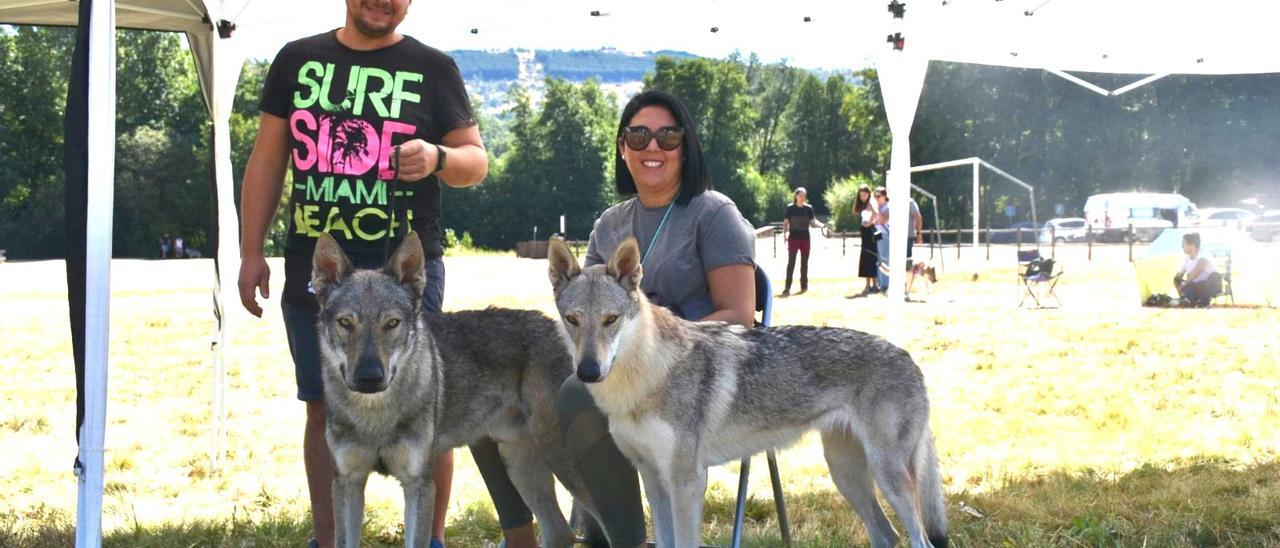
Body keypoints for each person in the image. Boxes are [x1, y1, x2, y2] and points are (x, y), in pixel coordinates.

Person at [236, 1, 487, 546]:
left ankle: (430, 539)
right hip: (320, 273)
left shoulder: (433, 68)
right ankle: (328, 540)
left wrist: (439, 157)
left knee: (427, 408)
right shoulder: (297, 60)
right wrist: (250, 249)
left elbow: (476, 161)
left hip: (406, 277)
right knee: (321, 403)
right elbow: (267, 159)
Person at [475, 90, 755, 548]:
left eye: (668, 136)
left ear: (686, 147)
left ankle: (623, 538)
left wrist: (658, 345)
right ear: (622, 147)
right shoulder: (611, 222)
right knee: (490, 388)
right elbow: (583, 301)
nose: (653, 148)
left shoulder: (713, 213)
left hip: (684, 378)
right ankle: (526, 534)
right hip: (608, 362)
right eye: (639, 136)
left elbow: (740, 315)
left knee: (574, 397)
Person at [781, 187, 824, 296]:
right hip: (793, 239)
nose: (802, 197)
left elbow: (813, 222)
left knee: (804, 264)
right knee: (791, 263)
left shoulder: (809, 209)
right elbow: (786, 223)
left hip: (805, 239)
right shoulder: (790, 208)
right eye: (800, 195)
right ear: (796, 196)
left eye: (804, 195)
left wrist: (823, 226)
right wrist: (785, 234)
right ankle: (787, 288)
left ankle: (804, 287)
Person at [1173, 232, 1221, 307]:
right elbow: (1178, 277)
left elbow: (1195, 273)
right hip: (1196, 286)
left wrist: (1183, 285)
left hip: (1211, 285)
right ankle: (1187, 300)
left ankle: (1201, 302)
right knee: (1180, 281)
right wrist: (1178, 284)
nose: (1182, 246)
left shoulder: (1204, 254)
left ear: (1192, 245)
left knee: (1214, 276)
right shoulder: (1186, 259)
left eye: (1184, 244)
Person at [853, 185, 879, 295]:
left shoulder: (871, 202)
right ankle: (868, 284)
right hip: (865, 233)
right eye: (861, 195)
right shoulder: (863, 204)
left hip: (871, 232)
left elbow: (876, 214)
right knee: (865, 257)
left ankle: (875, 284)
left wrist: (869, 223)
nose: (862, 197)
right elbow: (855, 211)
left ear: (868, 194)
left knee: (873, 256)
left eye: (864, 194)